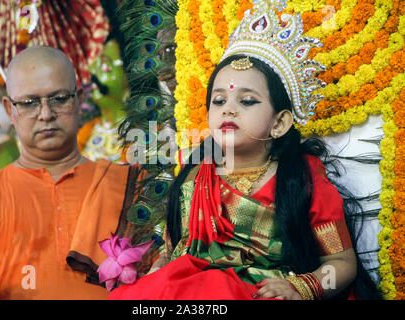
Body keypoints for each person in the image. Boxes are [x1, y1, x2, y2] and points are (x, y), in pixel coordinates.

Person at [108, 0, 381, 300]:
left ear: (280, 123)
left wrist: (301, 288)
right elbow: (174, 253)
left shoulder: (300, 180)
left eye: (247, 101)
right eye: (219, 101)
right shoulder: (193, 177)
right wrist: (154, 279)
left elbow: (341, 264)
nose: (229, 111)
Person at [0, 46, 139, 299]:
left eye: (59, 98)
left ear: (79, 99)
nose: (46, 114)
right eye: (29, 103)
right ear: (10, 110)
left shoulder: (127, 184)